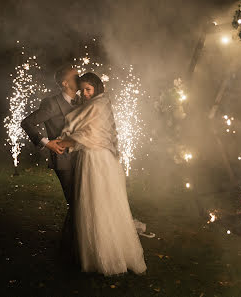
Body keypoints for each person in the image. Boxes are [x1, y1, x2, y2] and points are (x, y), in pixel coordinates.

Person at [58, 72, 147, 276]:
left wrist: (63, 141)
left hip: (97, 160)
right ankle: (93, 252)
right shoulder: (99, 103)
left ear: (96, 87)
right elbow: (87, 130)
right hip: (93, 157)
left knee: (100, 201)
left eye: (89, 89)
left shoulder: (98, 105)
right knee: (92, 202)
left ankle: (107, 256)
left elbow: (86, 131)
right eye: (83, 90)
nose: (85, 94)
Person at [21, 64, 82, 267]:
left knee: (83, 203)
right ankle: (70, 250)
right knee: (76, 203)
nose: (79, 78)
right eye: (75, 76)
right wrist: (47, 142)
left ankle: (75, 247)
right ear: (65, 83)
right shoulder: (52, 103)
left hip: (84, 159)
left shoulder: (82, 99)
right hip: (64, 160)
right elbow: (27, 123)